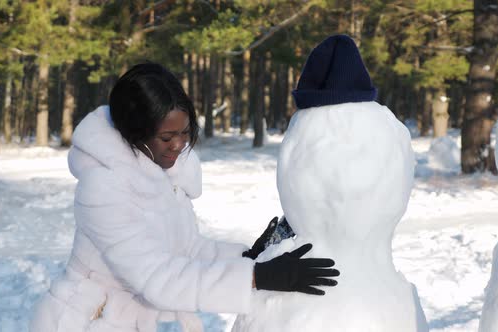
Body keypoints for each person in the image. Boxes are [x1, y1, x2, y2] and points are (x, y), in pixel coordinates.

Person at [30, 62, 339, 332]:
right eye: (166, 137)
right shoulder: (104, 190)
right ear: (134, 133)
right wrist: (257, 277)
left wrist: (246, 257)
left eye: (185, 132)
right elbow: (158, 278)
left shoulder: (164, 174)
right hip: (84, 322)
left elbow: (187, 249)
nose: (179, 145)